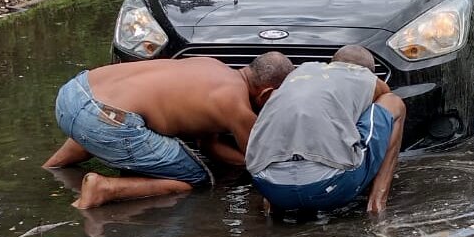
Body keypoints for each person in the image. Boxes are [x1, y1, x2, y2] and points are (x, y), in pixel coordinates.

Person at [42, 53, 294, 209]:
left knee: (108, 114)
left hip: (72, 95)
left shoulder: (212, 66)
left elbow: (209, 145)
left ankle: (53, 166)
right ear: (267, 94)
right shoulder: (239, 109)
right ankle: (105, 188)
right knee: (196, 177)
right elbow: (260, 165)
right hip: (104, 121)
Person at [246, 45, 406, 215]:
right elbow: (383, 100)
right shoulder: (365, 77)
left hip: (270, 188)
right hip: (330, 187)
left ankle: (271, 210)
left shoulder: (299, 73)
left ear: (332, 63)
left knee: (289, 119)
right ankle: (377, 206)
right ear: (368, 71)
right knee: (393, 103)